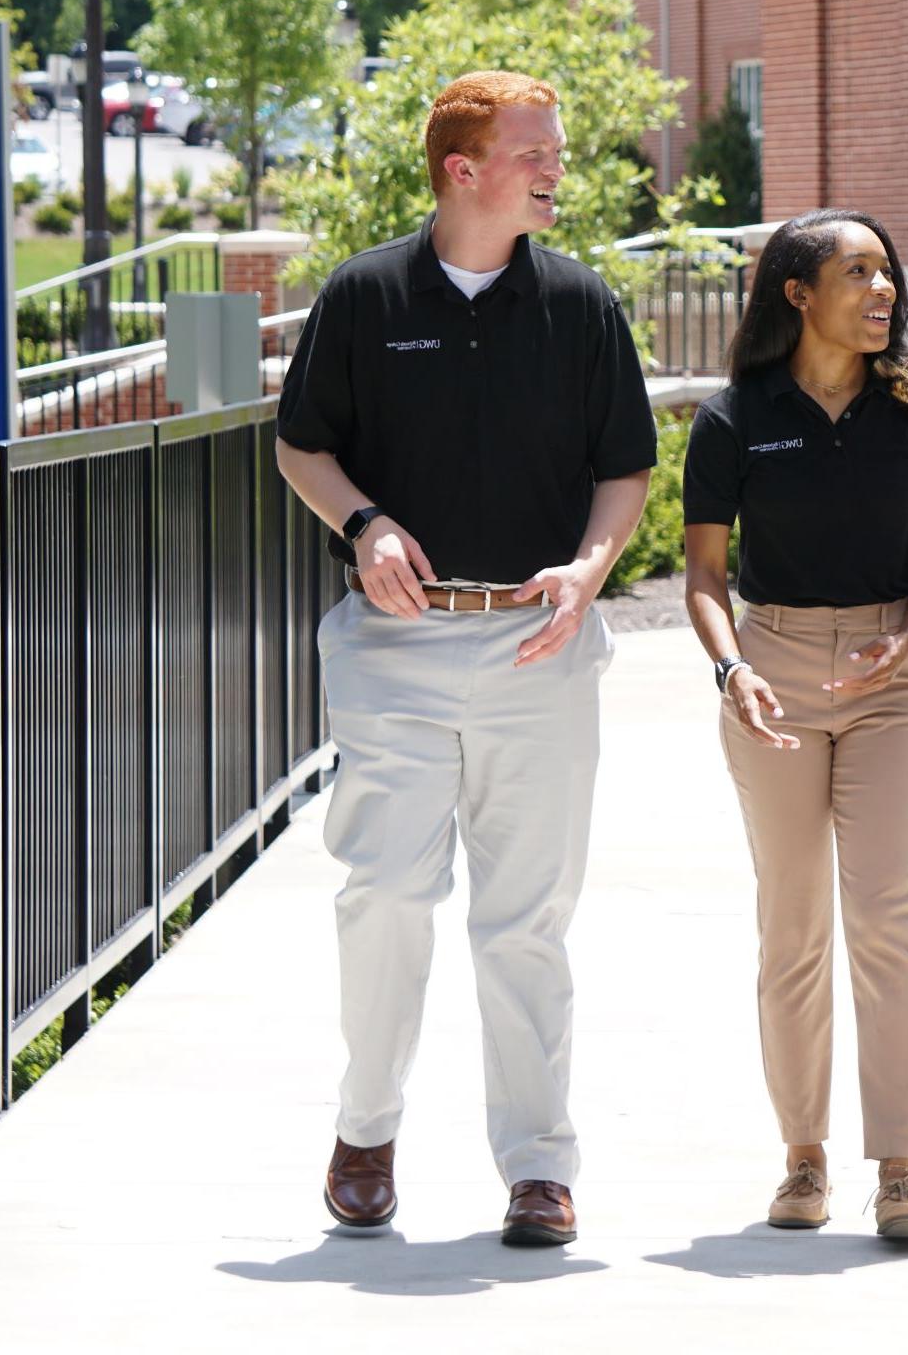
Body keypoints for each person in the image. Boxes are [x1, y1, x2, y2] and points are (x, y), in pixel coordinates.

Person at [273, 70, 657, 1247]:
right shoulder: (365, 296)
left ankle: (539, 1165)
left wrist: (590, 571)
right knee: (384, 890)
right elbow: (303, 446)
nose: (555, 167)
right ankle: (367, 1126)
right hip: (394, 646)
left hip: (540, 648)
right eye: (535, 149)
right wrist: (365, 523)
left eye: (556, 147)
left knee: (525, 917)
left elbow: (624, 473)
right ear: (462, 168)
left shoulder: (584, 306)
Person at [681, 210, 908, 1241]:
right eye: (858, 272)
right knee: (792, 927)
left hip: (892, 672)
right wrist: (731, 669)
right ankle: (803, 1156)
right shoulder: (735, 417)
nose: (883, 290)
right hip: (774, 669)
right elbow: (705, 576)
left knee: (885, 921)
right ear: (798, 293)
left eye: (887, 272)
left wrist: (906, 639)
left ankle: (900, 1167)